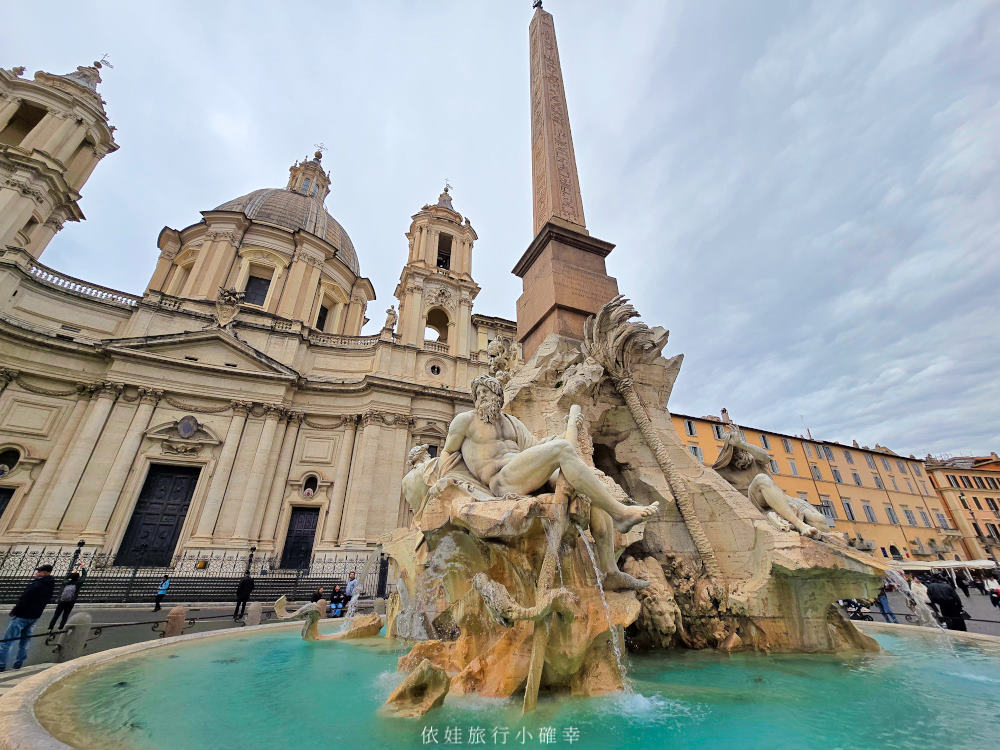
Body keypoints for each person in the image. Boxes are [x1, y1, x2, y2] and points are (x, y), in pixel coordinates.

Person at [0, 564, 55, 671]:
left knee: (8, 641)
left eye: (39, 571)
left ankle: (1, 665)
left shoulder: (37, 584)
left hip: (22, 615)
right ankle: (19, 662)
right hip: (35, 616)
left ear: (44, 573)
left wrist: (15, 612)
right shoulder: (51, 585)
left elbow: (24, 599)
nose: (36, 573)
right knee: (25, 640)